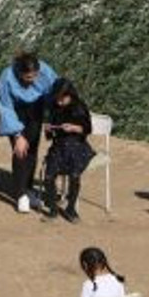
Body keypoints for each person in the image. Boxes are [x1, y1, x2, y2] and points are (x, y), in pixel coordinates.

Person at [0, 51, 59, 214]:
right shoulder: (7, 77)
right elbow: (5, 108)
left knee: (32, 150)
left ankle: (29, 189)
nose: (33, 80)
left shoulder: (45, 71)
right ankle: (20, 194)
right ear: (20, 73)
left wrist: (53, 118)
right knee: (20, 150)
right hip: (15, 111)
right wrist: (17, 135)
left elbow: (56, 91)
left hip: (36, 107)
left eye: (35, 76)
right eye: (28, 77)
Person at [41, 78, 95, 223]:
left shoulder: (79, 107)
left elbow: (88, 129)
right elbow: (49, 136)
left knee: (74, 175)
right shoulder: (53, 107)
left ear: (70, 95)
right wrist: (48, 129)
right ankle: (53, 209)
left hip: (77, 146)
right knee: (48, 176)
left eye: (62, 98)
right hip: (58, 146)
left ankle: (71, 208)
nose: (59, 101)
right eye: (57, 98)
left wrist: (74, 128)